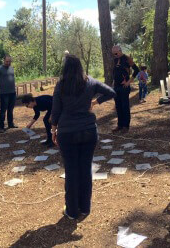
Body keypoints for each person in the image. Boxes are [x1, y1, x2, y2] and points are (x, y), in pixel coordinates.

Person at [51, 55, 116, 219]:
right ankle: (85, 207)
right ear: (80, 67)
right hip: (88, 131)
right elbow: (111, 92)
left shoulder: (61, 85)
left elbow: (56, 110)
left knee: (71, 171)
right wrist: (95, 102)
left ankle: (72, 211)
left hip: (67, 132)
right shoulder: (90, 82)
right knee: (85, 170)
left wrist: (53, 130)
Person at [112, 45, 139, 133]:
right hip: (116, 87)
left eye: (116, 53)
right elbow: (115, 71)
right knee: (118, 106)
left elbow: (136, 70)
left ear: (120, 51)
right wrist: (113, 82)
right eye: (113, 53)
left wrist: (129, 82)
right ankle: (119, 125)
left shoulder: (127, 58)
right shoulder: (115, 59)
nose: (115, 55)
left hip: (124, 87)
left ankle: (126, 126)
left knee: (124, 106)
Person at [0, 55, 17, 130]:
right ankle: (1, 125)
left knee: (11, 109)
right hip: (4, 93)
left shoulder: (11, 68)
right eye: (7, 61)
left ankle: (10, 123)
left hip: (12, 92)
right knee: (3, 109)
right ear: (3, 61)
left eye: (9, 61)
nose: (8, 63)